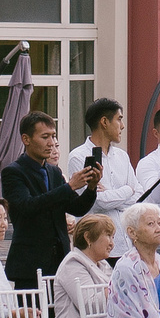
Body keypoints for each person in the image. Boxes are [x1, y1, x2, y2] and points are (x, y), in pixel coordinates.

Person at [1, 113, 99, 289]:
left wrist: (91, 188)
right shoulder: (13, 172)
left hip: (60, 260)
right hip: (30, 263)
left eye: (53, 136)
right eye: (45, 137)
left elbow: (76, 208)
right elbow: (27, 206)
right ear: (26, 139)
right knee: (34, 307)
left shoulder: (54, 171)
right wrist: (69, 186)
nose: (51, 143)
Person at [50, 214, 118, 318]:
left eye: (113, 237)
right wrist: (119, 286)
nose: (112, 244)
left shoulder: (103, 264)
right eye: (108, 236)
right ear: (88, 238)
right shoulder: (73, 263)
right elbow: (89, 304)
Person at [67, 100, 139, 234]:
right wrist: (128, 189)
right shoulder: (78, 157)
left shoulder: (122, 156)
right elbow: (97, 202)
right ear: (104, 122)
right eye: (119, 119)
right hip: (95, 238)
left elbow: (139, 196)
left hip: (124, 238)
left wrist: (110, 194)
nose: (122, 126)